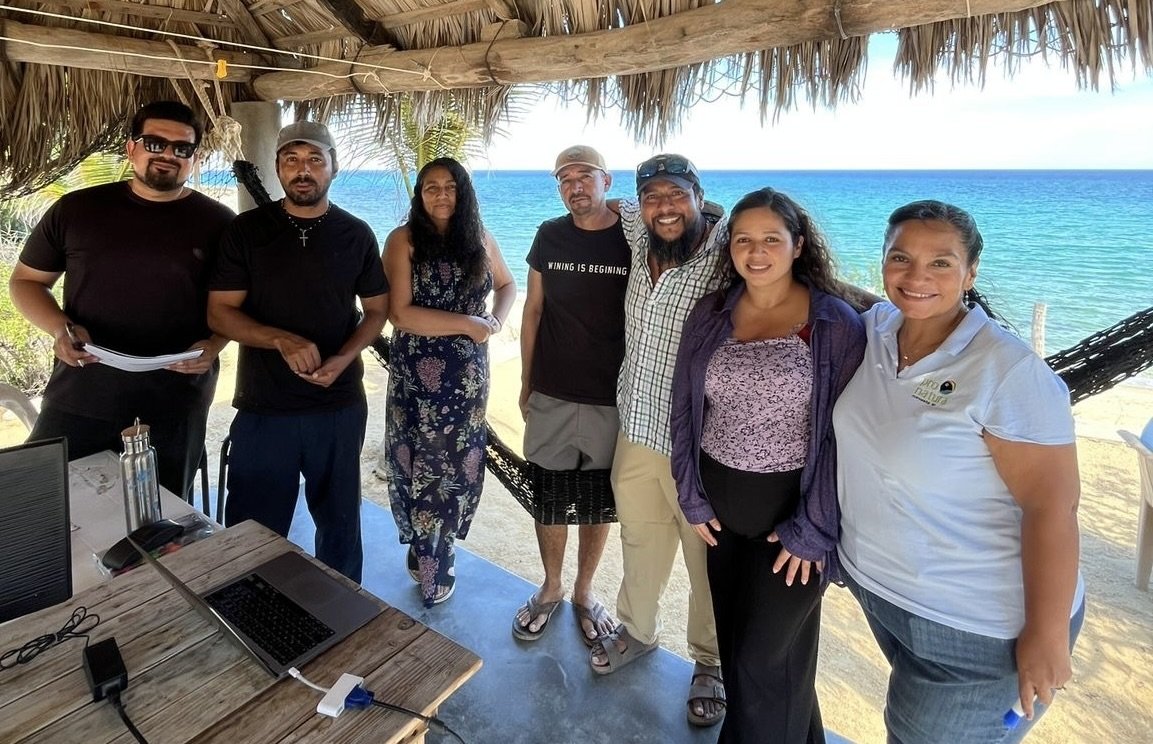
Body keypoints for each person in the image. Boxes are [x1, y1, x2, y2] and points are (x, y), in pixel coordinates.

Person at [834, 200, 1084, 743]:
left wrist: (1046, 634)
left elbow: (1053, 506)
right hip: (884, 595)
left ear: (970, 273)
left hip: (979, 632)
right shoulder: (877, 329)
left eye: (941, 263)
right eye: (900, 257)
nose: (917, 276)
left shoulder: (1008, 371)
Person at [670, 188, 866, 743]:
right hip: (719, 519)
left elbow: (841, 438)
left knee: (762, 662)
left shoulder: (834, 325)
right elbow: (684, 408)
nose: (756, 252)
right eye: (743, 240)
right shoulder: (711, 314)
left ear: (798, 245)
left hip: (795, 523)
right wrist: (690, 491)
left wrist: (815, 529)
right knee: (744, 658)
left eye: (771, 239)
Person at [9, 100, 234, 499]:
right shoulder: (77, 209)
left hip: (176, 398)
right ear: (132, 148)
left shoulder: (220, 223)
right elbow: (26, 282)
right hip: (81, 390)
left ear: (193, 158)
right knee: (48, 506)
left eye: (181, 148)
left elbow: (232, 305)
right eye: (154, 143)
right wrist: (60, 329)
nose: (167, 155)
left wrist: (214, 345)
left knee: (163, 523)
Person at [207, 121, 388, 583]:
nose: (302, 170)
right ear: (277, 168)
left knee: (340, 528)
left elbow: (375, 311)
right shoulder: (247, 232)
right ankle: (249, 614)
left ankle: (342, 613)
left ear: (334, 167)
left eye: (314, 160)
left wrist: (345, 358)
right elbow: (220, 314)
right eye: (291, 160)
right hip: (265, 408)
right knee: (252, 531)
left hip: (338, 406)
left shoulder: (356, 234)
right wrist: (279, 339)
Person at [588, 153, 729, 728]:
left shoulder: (724, 252)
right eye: (654, 197)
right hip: (635, 430)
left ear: (700, 197)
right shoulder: (637, 229)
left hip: (700, 443)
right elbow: (605, 200)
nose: (664, 207)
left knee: (705, 560)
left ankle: (711, 662)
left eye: (677, 195)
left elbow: (785, 260)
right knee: (641, 541)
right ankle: (638, 631)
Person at [382, 157, 516, 608]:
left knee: (453, 467)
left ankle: (440, 550)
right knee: (417, 461)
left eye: (450, 186)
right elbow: (400, 314)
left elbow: (508, 284)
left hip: (467, 379)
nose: (441, 195)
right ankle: (426, 550)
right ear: (419, 195)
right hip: (414, 378)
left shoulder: (480, 238)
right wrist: (468, 324)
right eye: (430, 187)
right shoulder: (402, 241)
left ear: (464, 193)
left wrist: (495, 322)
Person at [512, 145, 629, 645]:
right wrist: (526, 378)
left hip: (613, 396)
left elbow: (699, 221)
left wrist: (632, 208)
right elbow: (532, 310)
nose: (575, 186)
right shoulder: (549, 235)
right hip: (553, 392)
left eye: (585, 176)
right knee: (551, 497)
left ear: (606, 181)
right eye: (564, 179)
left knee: (599, 501)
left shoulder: (633, 238)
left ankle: (585, 591)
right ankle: (552, 585)